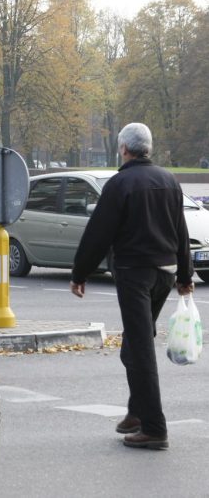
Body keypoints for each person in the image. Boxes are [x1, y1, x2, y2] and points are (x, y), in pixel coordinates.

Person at [70, 122, 194, 451]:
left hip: (134, 273)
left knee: (140, 348)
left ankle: (154, 428)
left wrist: (80, 273)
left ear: (124, 149)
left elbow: (99, 233)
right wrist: (184, 276)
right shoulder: (169, 180)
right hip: (165, 273)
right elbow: (180, 231)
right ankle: (137, 412)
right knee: (135, 342)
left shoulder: (120, 182)